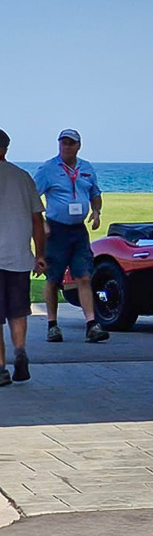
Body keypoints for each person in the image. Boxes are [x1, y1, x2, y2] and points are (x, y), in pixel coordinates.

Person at [34, 129, 108, 343]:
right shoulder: (48, 169)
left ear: (78, 146)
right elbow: (32, 197)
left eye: (70, 143)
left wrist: (96, 212)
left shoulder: (86, 168)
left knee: (84, 276)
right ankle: (52, 325)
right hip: (56, 231)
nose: (66, 147)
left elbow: (95, 193)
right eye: (63, 143)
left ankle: (91, 324)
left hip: (78, 231)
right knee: (53, 278)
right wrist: (43, 224)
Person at [0, 129, 47, 385]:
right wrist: (40, 254)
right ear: (6, 148)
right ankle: (20, 351)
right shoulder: (23, 177)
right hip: (19, 257)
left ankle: (0, 368)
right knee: (18, 312)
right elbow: (37, 220)